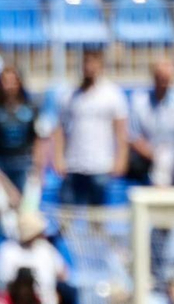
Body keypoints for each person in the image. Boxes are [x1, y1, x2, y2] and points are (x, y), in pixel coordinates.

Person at [52, 47, 127, 209]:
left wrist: (121, 158)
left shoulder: (112, 94)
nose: (89, 67)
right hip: (73, 163)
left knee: (97, 213)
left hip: (101, 164)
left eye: (93, 63)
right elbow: (59, 128)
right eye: (86, 62)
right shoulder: (69, 95)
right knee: (67, 211)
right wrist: (58, 157)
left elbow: (121, 131)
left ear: (101, 65)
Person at [126, 57, 174, 183]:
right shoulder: (139, 100)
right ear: (153, 76)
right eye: (160, 76)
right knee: (163, 161)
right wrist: (154, 156)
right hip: (150, 157)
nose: (163, 80)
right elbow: (133, 137)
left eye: (166, 77)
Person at [0, 64, 41, 203]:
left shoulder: (31, 110)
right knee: (3, 207)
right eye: (6, 82)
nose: (9, 86)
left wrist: (38, 168)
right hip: (2, 165)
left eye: (13, 81)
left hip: (25, 164)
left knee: (28, 207)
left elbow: (39, 139)